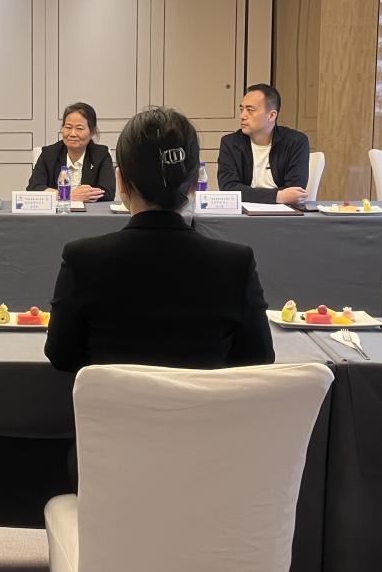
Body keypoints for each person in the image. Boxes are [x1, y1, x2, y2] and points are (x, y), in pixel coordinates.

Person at [45, 106, 274, 372]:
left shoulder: (82, 259)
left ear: (121, 182)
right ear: (194, 184)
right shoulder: (236, 263)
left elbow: (62, 356)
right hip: (201, 400)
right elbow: (258, 358)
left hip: (116, 400)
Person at [217, 83, 310, 205]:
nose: (242, 116)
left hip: (284, 212)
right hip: (245, 212)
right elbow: (228, 188)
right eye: (241, 109)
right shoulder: (230, 143)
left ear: (271, 116)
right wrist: (278, 196)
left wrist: (249, 194)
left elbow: (295, 192)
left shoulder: (296, 142)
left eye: (250, 110)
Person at [27, 102, 115, 202]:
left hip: (89, 211)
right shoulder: (48, 154)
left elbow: (107, 192)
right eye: (68, 127)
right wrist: (67, 195)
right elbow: (33, 188)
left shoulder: (101, 154)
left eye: (79, 128)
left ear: (92, 132)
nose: (72, 134)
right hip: (57, 210)